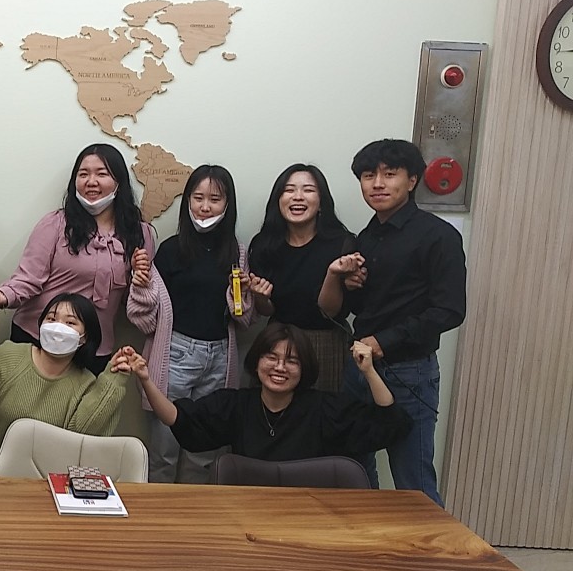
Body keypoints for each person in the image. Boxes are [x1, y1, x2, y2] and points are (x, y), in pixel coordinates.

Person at [319, 139, 466, 505]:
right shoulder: (365, 238)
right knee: (352, 470)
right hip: (358, 368)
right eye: (369, 176)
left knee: (413, 481)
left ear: (412, 180)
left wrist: (385, 341)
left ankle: (428, 544)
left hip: (409, 372)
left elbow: (450, 309)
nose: (378, 184)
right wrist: (349, 284)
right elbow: (357, 308)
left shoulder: (438, 236)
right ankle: (369, 535)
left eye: (389, 174)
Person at [0, 143, 155, 374]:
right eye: (83, 174)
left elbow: (134, 305)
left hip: (92, 348)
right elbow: (28, 278)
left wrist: (141, 283)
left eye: (102, 174)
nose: (91, 181)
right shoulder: (56, 224)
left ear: (119, 181)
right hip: (37, 337)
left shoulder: (140, 235)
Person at [136, 164, 256, 483]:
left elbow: (244, 318)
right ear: (187, 200)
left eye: (215, 199)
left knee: (204, 454)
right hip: (176, 353)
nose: (205, 207)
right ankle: (158, 510)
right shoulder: (171, 249)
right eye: (198, 197)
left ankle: (193, 511)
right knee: (164, 450)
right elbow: (145, 318)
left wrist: (244, 293)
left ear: (228, 205)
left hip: (220, 357)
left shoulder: (238, 252)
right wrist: (140, 283)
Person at [137, 323, 411, 463]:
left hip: (304, 515)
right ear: (256, 362)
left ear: (304, 369)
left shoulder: (323, 408)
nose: (280, 367)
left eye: (292, 361)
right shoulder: (237, 405)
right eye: (271, 357)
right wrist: (146, 378)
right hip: (246, 513)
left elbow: (390, 423)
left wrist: (368, 371)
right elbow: (179, 418)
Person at [0, 293, 147, 462]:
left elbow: (81, 439)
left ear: (84, 337)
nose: (58, 327)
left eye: (70, 322)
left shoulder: (86, 384)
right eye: (51, 319)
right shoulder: (7, 356)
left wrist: (113, 379)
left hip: (45, 482)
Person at [247, 164, 357, 392]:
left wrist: (332, 274)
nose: (298, 197)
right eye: (289, 190)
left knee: (324, 411)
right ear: (278, 200)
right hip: (278, 342)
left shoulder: (342, 244)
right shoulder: (264, 244)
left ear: (321, 202)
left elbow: (330, 312)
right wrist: (260, 297)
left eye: (308, 190)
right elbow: (267, 310)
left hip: (326, 343)